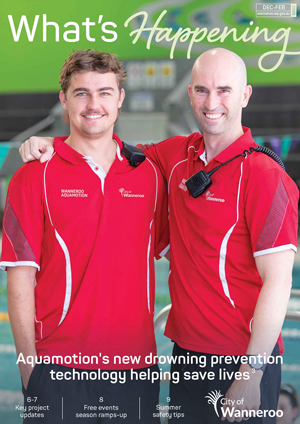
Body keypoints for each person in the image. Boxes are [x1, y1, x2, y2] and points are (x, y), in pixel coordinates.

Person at [19, 48, 299, 423]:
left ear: (245, 95)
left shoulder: (265, 175)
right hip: (186, 354)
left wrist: (252, 372)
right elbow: (104, 147)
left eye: (224, 91)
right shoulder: (174, 158)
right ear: (190, 95)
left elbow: (279, 282)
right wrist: (53, 144)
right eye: (201, 90)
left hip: (240, 359)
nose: (211, 102)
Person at [1, 50, 169, 424]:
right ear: (64, 100)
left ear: (121, 99)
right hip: (58, 370)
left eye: (105, 92)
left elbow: (187, 251)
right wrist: (32, 373)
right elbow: (20, 279)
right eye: (81, 93)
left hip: (134, 370)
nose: (94, 104)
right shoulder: (32, 178)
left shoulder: (150, 177)